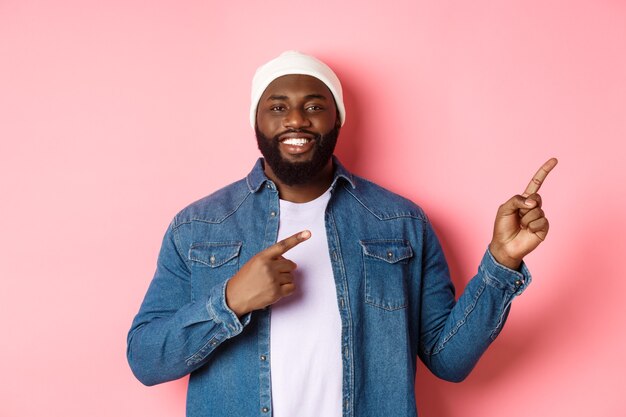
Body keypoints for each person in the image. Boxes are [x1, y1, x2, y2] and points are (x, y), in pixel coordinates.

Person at [127, 51, 557, 417]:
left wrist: (502, 263)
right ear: (256, 121)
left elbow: (450, 361)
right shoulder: (198, 225)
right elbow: (147, 360)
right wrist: (230, 301)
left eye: (314, 106)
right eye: (277, 107)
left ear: (338, 119)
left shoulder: (399, 221)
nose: (296, 119)